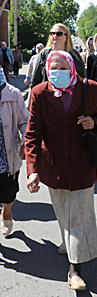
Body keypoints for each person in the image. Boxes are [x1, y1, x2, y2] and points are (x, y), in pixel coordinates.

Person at [25, 50, 97, 290]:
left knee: (79, 216)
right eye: (54, 68)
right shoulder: (40, 93)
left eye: (63, 67)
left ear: (72, 67)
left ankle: (75, 270)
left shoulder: (89, 88)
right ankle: (68, 241)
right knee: (64, 212)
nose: (57, 72)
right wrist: (32, 169)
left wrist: (95, 123)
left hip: (83, 164)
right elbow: (32, 135)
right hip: (54, 166)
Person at [0, 69, 29, 235]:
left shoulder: (13, 94)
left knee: (8, 191)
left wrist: (26, 141)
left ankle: (7, 211)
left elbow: (24, 121)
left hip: (6, 152)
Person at [31, 23, 85, 89]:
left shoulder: (74, 54)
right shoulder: (44, 54)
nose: (55, 36)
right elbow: (35, 80)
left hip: (71, 94)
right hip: (48, 94)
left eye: (59, 34)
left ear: (66, 37)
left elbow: (83, 77)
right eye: (52, 33)